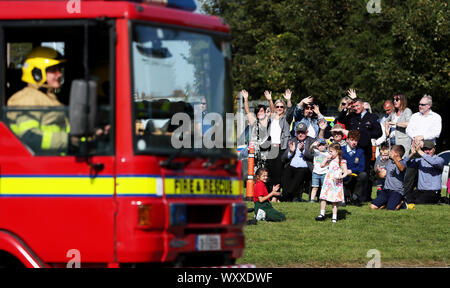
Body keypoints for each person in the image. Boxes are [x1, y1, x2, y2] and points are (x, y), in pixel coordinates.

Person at [7, 46, 70, 153]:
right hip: (43, 165)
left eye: (59, 70)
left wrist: (90, 136)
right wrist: (69, 141)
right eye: (53, 70)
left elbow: (65, 128)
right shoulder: (26, 99)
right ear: (37, 73)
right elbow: (30, 137)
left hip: (56, 160)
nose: (59, 74)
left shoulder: (48, 97)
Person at [338, 89, 382, 201]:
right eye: (354, 106)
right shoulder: (352, 116)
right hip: (352, 149)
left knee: (364, 173)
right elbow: (340, 120)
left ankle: (363, 197)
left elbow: (379, 132)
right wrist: (346, 108)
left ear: (363, 105)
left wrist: (366, 136)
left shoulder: (372, 117)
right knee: (349, 172)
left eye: (358, 105)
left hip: (365, 149)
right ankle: (348, 196)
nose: (356, 108)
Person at [404, 95, 442, 205]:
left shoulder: (436, 117)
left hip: (428, 147)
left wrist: (422, 137)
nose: (420, 106)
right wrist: (415, 137)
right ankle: (406, 197)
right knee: (410, 173)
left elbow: (437, 132)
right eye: (419, 104)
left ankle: (430, 195)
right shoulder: (415, 116)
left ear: (429, 105)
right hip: (415, 146)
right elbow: (408, 129)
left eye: (423, 104)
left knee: (427, 174)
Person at [265, 89, 295, 194]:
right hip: (271, 147)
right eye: (277, 106)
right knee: (270, 171)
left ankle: (277, 194)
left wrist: (288, 100)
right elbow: (272, 111)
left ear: (284, 108)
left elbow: (290, 111)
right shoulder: (272, 118)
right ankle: (270, 193)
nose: (279, 108)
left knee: (279, 171)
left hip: (281, 147)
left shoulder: (286, 119)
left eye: (281, 107)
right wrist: (270, 100)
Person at [281, 122, 315, 202]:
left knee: (300, 173)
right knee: (286, 172)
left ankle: (287, 195)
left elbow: (313, 156)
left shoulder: (312, 141)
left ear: (306, 132)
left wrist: (303, 151)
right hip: (292, 165)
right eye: (298, 132)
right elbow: (283, 158)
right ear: (296, 133)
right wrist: (291, 152)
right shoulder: (293, 141)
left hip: (305, 167)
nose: (300, 134)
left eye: (302, 132)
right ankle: (287, 196)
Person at [315, 143, 348, 223]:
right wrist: (326, 158)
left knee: (334, 200)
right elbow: (322, 165)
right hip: (328, 182)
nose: (330, 153)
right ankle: (322, 214)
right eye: (329, 152)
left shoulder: (341, 161)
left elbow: (346, 172)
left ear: (337, 151)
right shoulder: (330, 160)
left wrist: (341, 176)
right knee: (323, 197)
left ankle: (334, 216)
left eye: (331, 151)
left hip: (336, 183)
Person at [405, 140, 445, 204]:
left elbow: (433, 162)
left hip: (433, 192)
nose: (427, 151)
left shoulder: (439, 159)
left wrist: (420, 151)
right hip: (420, 191)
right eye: (425, 149)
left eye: (429, 149)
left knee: (419, 201)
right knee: (406, 199)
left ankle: (440, 200)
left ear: (434, 149)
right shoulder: (420, 161)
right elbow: (404, 163)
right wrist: (412, 153)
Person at [370, 145, 407, 211]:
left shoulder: (403, 162)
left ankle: (402, 202)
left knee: (390, 209)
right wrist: (378, 172)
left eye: (391, 151)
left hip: (397, 191)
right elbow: (381, 176)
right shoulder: (389, 162)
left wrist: (395, 159)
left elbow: (401, 168)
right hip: (386, 190)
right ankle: (387, 203)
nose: (389, 153)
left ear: (397, 154)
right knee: (372, 207)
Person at [342, 130, 369, 204]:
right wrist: (344, 170)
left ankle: (355, 195)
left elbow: (361, 167)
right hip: (342, 175)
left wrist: (351, 171)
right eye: (352, 140)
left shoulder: (360, 151)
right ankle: (344, 196)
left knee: (363, 174)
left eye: (356, 140)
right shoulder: (341, 150)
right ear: (347, 140)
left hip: (354, 176)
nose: (354, 142)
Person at [309, 138, 329, 202]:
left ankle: (323, 199)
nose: (321, 147)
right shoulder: (316, 151)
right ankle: (312, 199)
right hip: (316, 173)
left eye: (323, 145)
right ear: (317, 146)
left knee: (324, 187)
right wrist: (313, 145)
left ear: (325, 145)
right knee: (315, 187)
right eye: (319, 145)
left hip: (325, 172)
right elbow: (311, 149)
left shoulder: (327, 153)